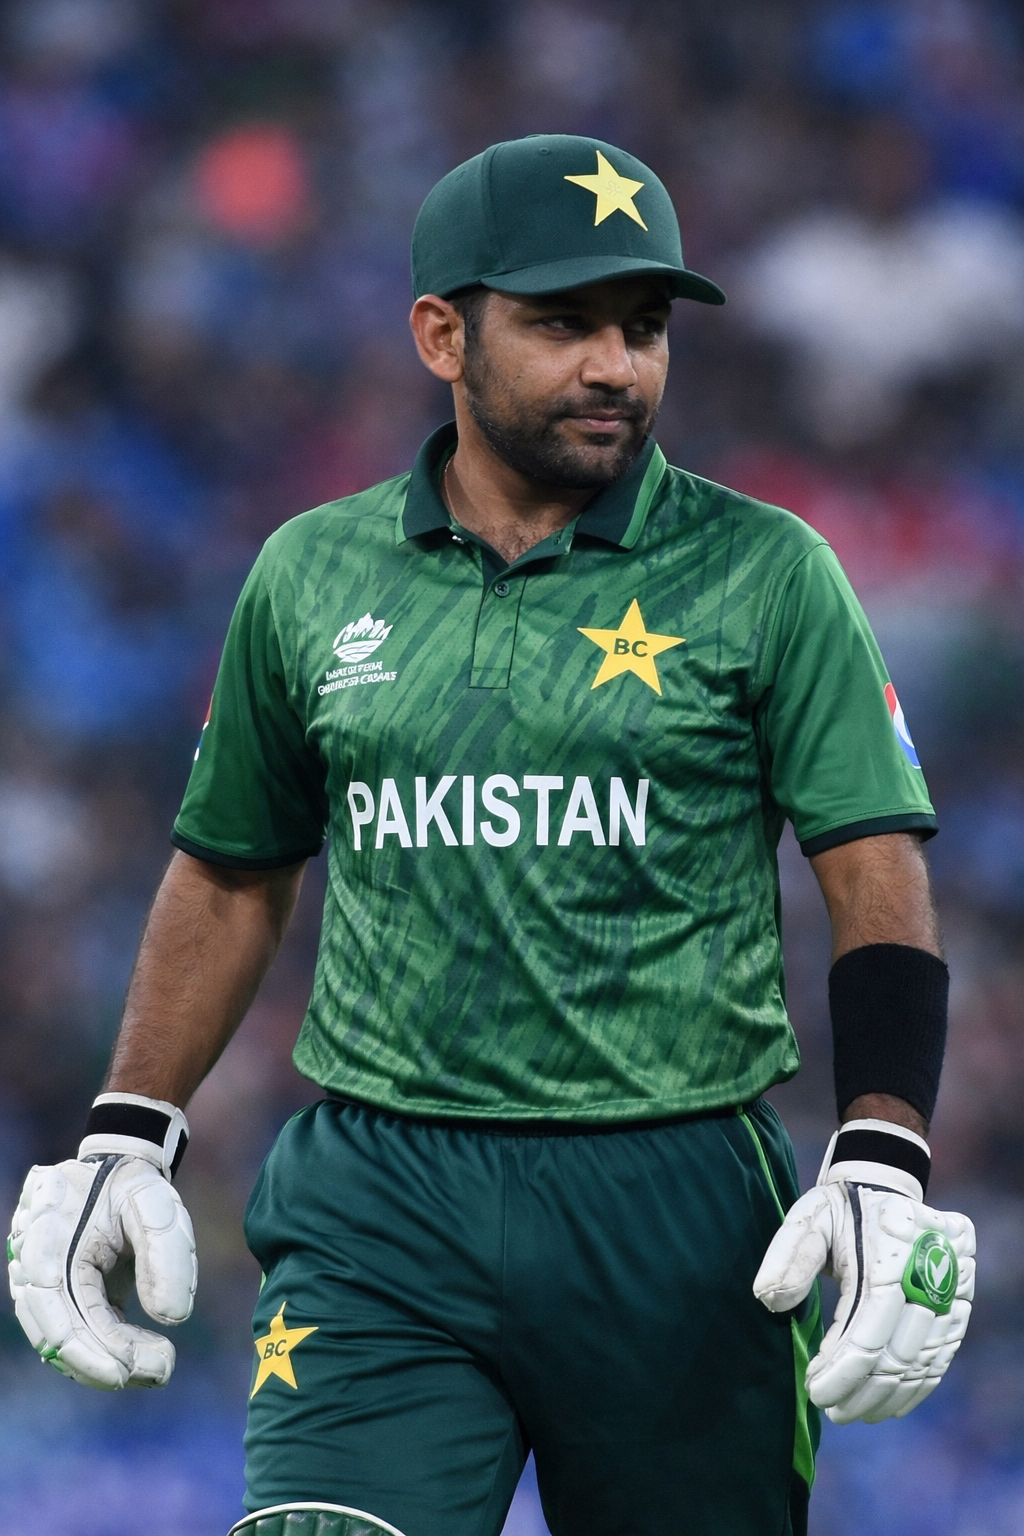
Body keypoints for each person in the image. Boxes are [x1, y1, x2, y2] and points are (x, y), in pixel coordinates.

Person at [8, 135, 975, 1536]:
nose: (617, 367)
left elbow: (874, 867)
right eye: (564, 324)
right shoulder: (309, 573)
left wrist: (883, 1148)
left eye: (644, 328)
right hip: (378, 1204)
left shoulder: (770, 571)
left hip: (678, 1207)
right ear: (441, 336)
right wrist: (126, 1128)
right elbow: (230, 871)